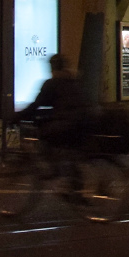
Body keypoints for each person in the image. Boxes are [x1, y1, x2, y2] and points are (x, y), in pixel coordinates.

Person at [15, 53, 92, 196]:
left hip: (69, 123)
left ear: (52, 68)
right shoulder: (73, 81)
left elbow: (37, 104)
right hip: (84, 122)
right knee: (66, 147)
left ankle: (56, 173)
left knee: (45, 134)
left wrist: (18, 116)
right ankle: (72, 181)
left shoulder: (53, 83)